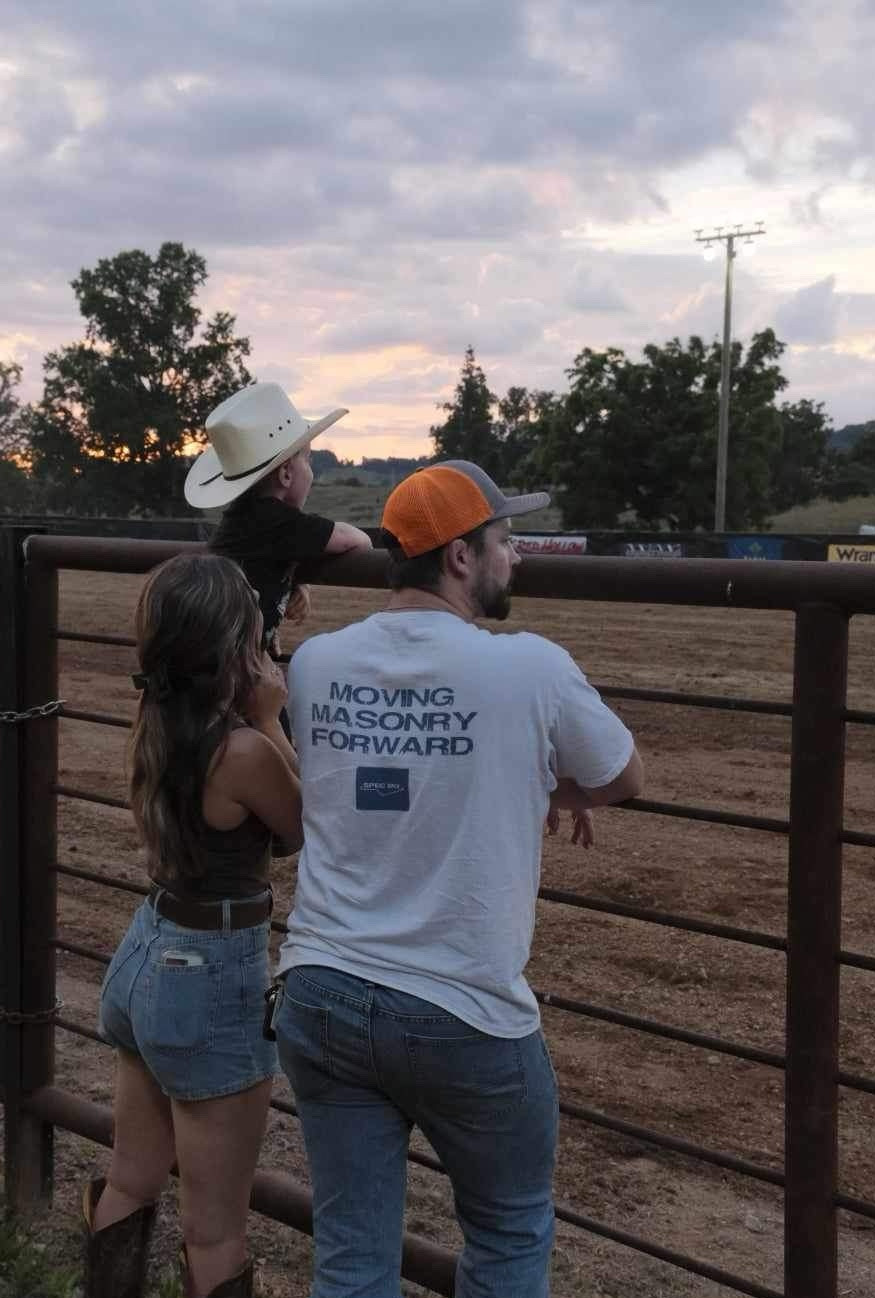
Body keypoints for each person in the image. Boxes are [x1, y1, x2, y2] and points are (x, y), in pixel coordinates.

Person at [273, 460, 644, 1298]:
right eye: (504, 541)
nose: (516, 558)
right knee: (509, 1233)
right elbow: (624, 775)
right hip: (463, 1012)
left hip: (321, 990)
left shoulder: (318, 663)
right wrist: (545, 777)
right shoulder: (530, 667)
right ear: (460, 559)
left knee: (351, 1252)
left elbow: (380, 771)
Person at [83, 552, 303, 1298]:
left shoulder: (158, 719)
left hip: (147, 955)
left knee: (132, 1178)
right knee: (215, 1230)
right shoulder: (241, 749)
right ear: (235, 646)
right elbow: (303, 828)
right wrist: (272, 714)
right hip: (209, 979)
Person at [185, 382, 372, 655]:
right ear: (286, 474)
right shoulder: (278, 522)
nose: (312, 472)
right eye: (307, 460)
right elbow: (358, 541)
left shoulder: (244, 518)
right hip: (233, 668)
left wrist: (296, 578)